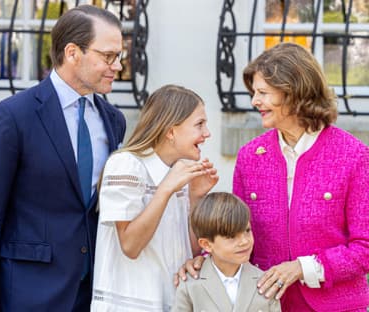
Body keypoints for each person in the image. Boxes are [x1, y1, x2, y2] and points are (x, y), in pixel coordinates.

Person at [178, 42, 369, 311]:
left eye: (263, 93)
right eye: (254, 93)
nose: (255, 101)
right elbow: (237, 231)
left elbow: (365, 247)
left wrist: (302, 268)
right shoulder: (250, 157)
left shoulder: (354, 155)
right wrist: (208, 259)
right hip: (264, 304)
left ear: (294, 92)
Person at [0, 5, 126, 312]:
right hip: (26, 295)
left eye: (120, 56)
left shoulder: (114, 120)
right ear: (73, 52)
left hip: (93, 297)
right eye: (108, 56)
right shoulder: (12, 117)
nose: (117, 66)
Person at [91, 84, 219, 311]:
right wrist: (165, 190)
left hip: (171, 302)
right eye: (199, 124)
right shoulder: (126, 164)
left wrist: (196, 196)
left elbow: (187, 250)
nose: (207, 133)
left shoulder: (177, 171)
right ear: (171, 131)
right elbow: (130, 246)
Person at [173, 192, 281, 311]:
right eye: (231, 236)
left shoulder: (266, 283)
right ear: (207, 244)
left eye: (247, 230)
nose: (244, 241)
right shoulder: (190, 285)